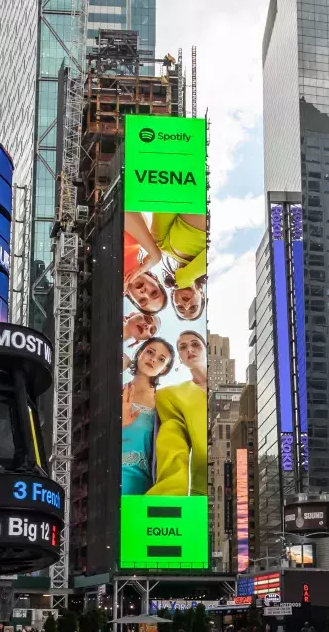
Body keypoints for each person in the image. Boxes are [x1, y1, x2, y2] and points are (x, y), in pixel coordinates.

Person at [148, 330, 207, 496]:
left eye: (195, 344)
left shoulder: (233, 388)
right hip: (203, 492)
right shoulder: (170, 395)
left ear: (206, 349)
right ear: (180, 358)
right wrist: (170, 496)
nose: (190, 349)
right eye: (183, 347)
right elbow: (173, 442)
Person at [125, 211, 207, 321]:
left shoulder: (161, 245)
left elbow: (164, 203)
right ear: (201, 294)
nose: (186, 305)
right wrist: (190, 275)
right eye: (193, 307)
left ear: (173, 295)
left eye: (180, 308)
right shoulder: (210, 261)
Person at [122, 337, 175, 495]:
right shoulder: (116, 391)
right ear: (139, 354)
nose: (153, 359)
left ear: (164, 369)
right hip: (105, 476)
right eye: (150, 352)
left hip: (140, 485)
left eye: (161, 359)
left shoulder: (163, 402)